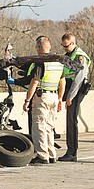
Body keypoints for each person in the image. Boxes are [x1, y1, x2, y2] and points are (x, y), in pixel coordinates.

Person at [22, 36, 65, 164]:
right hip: (54, 96)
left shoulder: (41, 62)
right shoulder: (58, 62)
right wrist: (59, 98)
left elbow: (34, 82)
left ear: (40, 48)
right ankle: (51, 154)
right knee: (49, 127)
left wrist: (27, 100)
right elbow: (62, 83)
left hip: (42, 97)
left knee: (39, 126)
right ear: (50, 47)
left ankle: (42, 155)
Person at [58, 32, 91, 162]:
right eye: (63, 46)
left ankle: (72, 152)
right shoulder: (68, 55)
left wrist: (70, 97)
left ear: (73, 42)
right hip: (70, 87)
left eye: (66, 46)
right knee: (70, 120)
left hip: (77, 89)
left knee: (71, 120)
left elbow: (78, 79)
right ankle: (71, 151)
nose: (64, 48)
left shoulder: (80, 57)